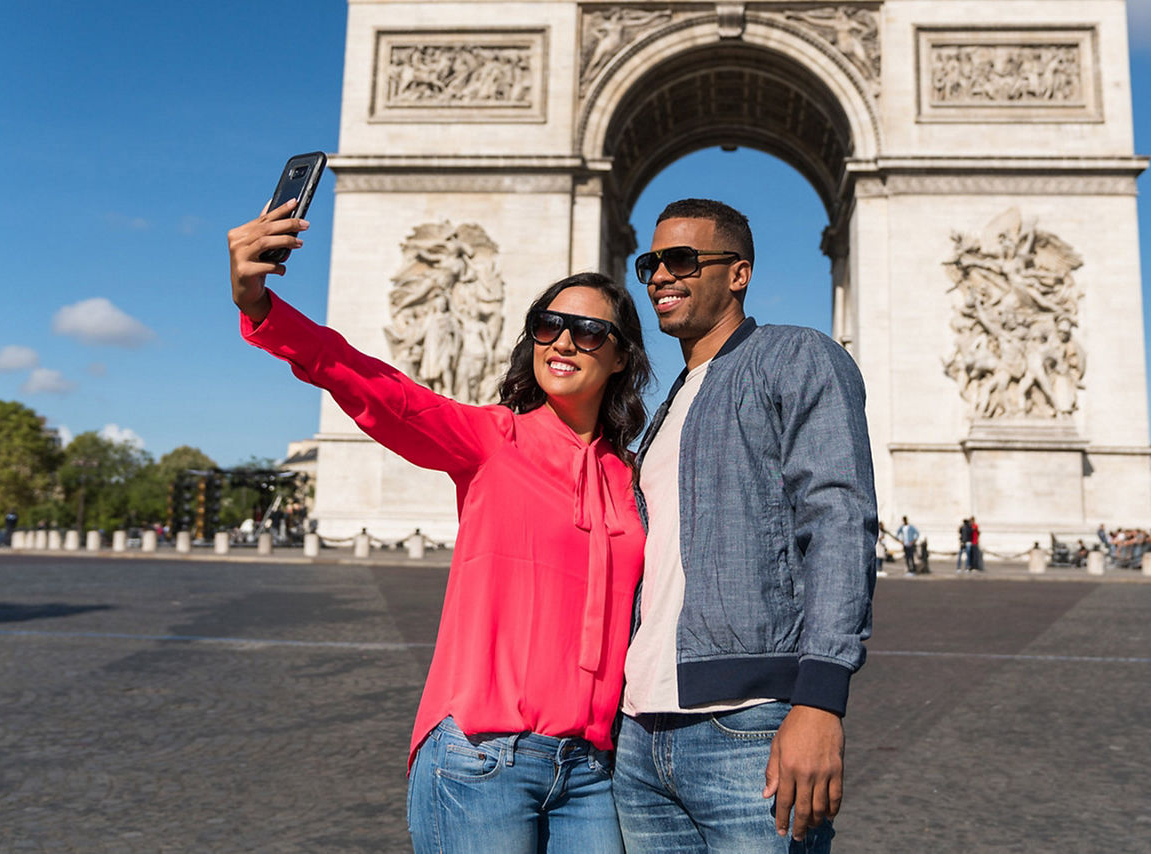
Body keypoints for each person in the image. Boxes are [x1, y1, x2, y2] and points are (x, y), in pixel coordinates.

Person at [229, 198, 653, 853]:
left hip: (593, 771)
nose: (565, 340)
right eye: (549, 325)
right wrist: (264, 311)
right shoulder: (491, 440)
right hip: (481, 758)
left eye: (589, 331)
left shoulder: (634, 481)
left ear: (622, 357)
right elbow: (383, 392)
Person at [612, 198, 877, 852]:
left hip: (749, 731)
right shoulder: (667, 406)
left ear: (739, 273)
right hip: (640, 736)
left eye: (681, 260)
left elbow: (839, 520)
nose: (658, 278)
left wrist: (820, 701)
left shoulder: (796, 356)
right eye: (649, 264)